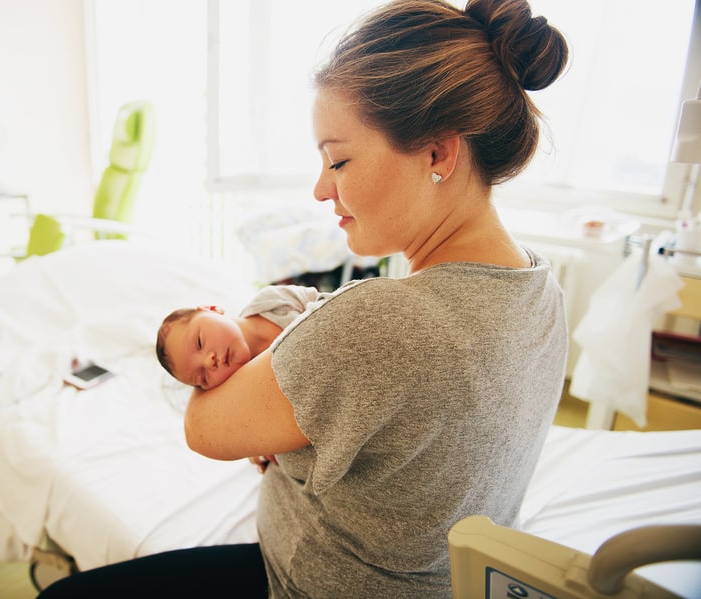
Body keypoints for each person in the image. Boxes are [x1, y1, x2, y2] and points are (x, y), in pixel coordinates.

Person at [39, 0, 569, 596]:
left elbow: (206, 427)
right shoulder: (542, 291)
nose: (321, 189)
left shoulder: (377, 320)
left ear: (438, 154)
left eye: (338, 159)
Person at [155, 284, 323, 391]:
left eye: (199, 342)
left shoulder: (272, 301)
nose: (209, 362)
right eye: (203, 377)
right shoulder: (251, 387)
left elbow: (333, 301)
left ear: (211, 309)